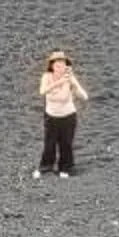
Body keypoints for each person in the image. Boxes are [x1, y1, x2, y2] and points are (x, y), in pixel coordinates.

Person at [36, 50, 88, 178]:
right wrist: (59, 82)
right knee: (49, 143)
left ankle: (66, 168)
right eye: (57, 65)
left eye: (63, 64)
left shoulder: (70, 78)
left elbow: (84, 96)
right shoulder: (46, 77)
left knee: (66, 143)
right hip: (51, 116)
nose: (60, 67)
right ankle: (46, 167)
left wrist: (73, 83)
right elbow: (42, 91)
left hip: (68, 116)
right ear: (52, 65)